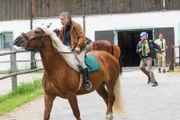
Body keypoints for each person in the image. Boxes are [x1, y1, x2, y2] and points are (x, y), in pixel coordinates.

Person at [59, 11, 92, 90]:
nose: (61, 21)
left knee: (80, 61)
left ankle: (87, 81)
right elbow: (59, 39)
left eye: (62, 19)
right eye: (60, 19)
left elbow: (82, 37)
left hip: (78, 49)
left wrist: (79, 47)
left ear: (68, 19)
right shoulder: (63, 29)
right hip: (67, 51)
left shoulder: (76, 26)